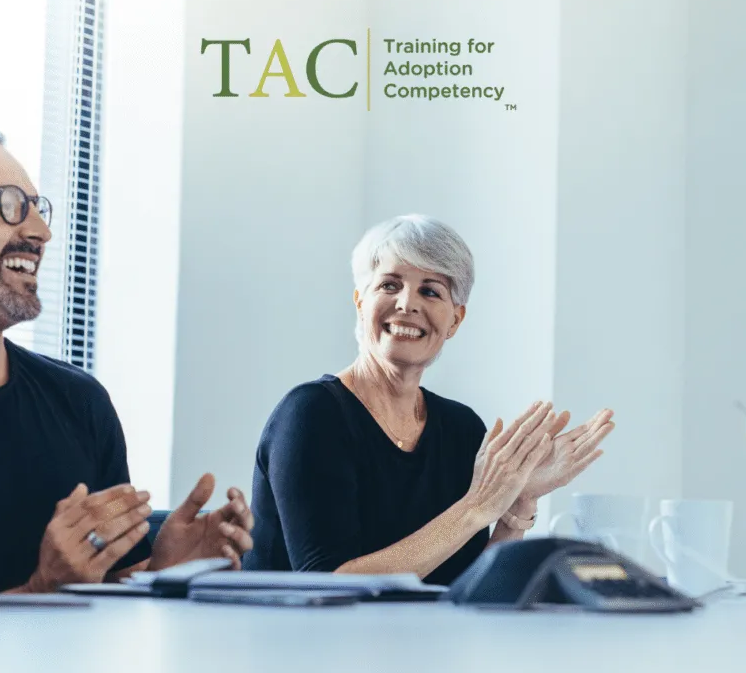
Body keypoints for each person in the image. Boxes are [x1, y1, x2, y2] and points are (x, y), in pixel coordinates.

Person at [0, 117, 254, 595]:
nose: (41, 231)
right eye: (9, 205)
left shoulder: (78, 401)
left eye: (39, 208)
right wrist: (40, 590)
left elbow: (99, 591)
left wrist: (161, 572)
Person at [245, 215, 615, 585]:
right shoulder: (312, 414)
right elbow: (331, 581)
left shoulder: (462, 429)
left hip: (424, 641)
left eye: (431, 291)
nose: (406, 303)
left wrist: (514, 504)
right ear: (360, 302)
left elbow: (467, 586)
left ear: (455, 320)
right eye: (390, 285)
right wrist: (477, 505)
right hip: (306, 641)